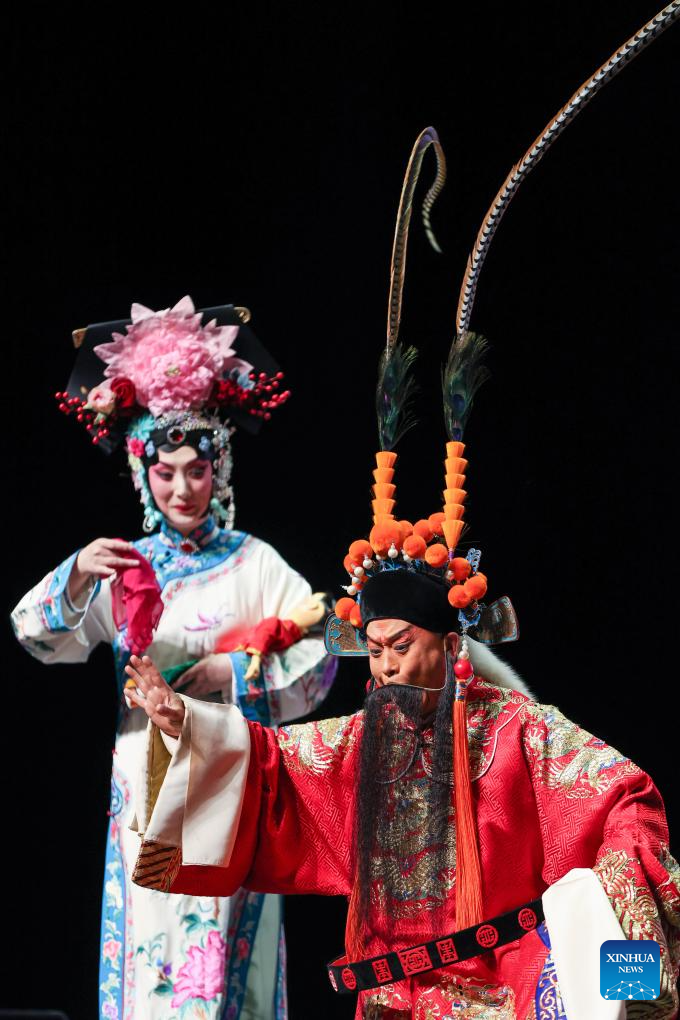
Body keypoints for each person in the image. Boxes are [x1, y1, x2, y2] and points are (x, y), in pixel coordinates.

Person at [122, 9, 680, 1016]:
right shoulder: (359, 744)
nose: (378, 666)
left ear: (448, 643)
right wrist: (184, 724)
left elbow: (622, 798)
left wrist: (617, 915)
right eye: (372, 648)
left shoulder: (516, 735)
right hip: (389, 1001)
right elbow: (269, 779)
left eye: (397, 648)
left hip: (500, 994)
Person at [11, 296, 336, 1020]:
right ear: (142, 471)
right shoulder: (126, 567)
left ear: (220, 468)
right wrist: (76, 575)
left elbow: (322, 658)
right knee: (149, 959)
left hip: (234, 785)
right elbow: (33, 635)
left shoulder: (255, 563)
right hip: (146, 789)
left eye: (196, 470)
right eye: (166, 472)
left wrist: (235, 672)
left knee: (233, 966)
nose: (183, 489)